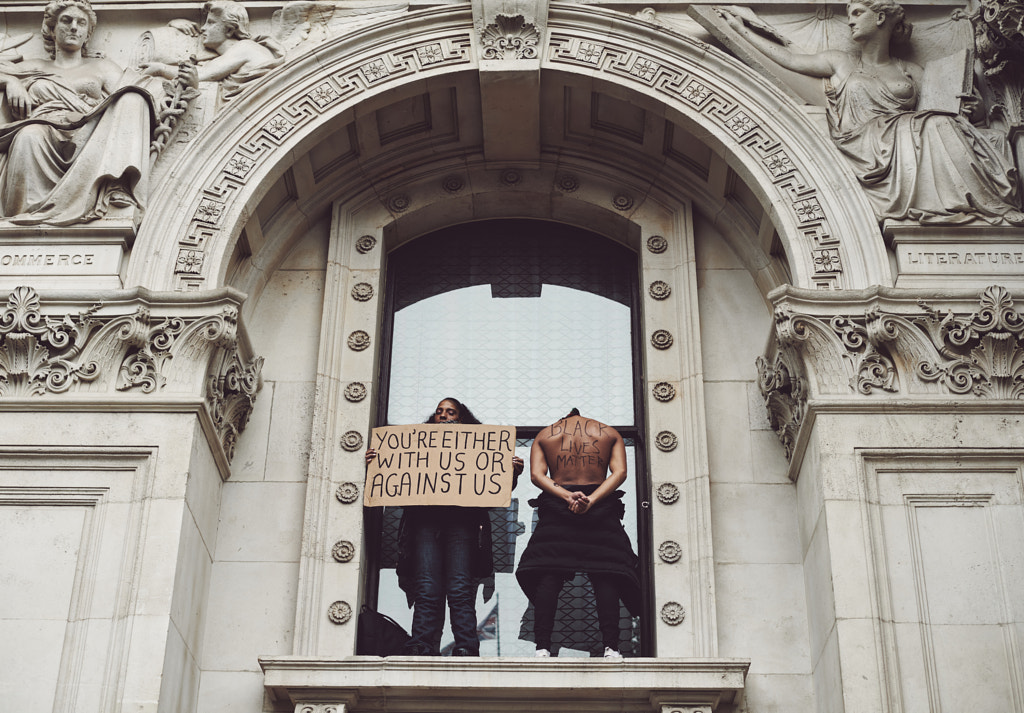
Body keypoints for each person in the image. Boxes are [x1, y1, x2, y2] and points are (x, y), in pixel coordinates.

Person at [723, 0, 1024, 226]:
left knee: (945, 125)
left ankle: (972, 205)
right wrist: (741, 30)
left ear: (880, 17)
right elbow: (789, 59)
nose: (850, 21)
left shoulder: (911, 71)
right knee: (933, 125)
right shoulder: (839, 62)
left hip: (910, 143)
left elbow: (946, 106)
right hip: (865, 144)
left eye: (856, 13)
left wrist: (974, 109)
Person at [366, 397, 524, 656]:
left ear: (462, 419)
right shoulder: (417, 447)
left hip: (462, 525)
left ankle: (465, 647)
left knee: (460, 587)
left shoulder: (475, 448)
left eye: (451, 412)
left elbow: (497, 491)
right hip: (425, 524)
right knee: (427, 586)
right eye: (439, 412)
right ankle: (421, 645)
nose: (444, 416)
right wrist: (377, 461)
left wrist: (512, 472)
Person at [0, 0, 177, 225]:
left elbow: (145, 90)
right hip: (43, 129)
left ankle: (118, 184)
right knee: (28, 136)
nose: (74, 27)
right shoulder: (32, 66)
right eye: (66, 20)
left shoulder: (102, 68)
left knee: (133, 97)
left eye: (81, 23)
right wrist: (10, 81)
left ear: (87, 33)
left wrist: (179, 82)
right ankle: (28, 217)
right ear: (51, 29)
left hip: (90, 137)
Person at [516, 408, 640, 658]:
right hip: (601, 507)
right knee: (606, 574)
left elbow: (537, 476)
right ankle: (612, 647)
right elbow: (620, 473)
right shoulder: (609, 432)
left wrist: (567, 495)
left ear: (564, 419)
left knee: (548, 575)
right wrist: (591, 500)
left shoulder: (545, 435)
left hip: (557, 506)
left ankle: (542, 648)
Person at [141, 1, 284, 98]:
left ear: (229, 30)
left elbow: (201, 74)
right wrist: (173, 23)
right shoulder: (226, 57)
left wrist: (161, 68)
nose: (203, 28)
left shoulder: (245, 47)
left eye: (210, 23)